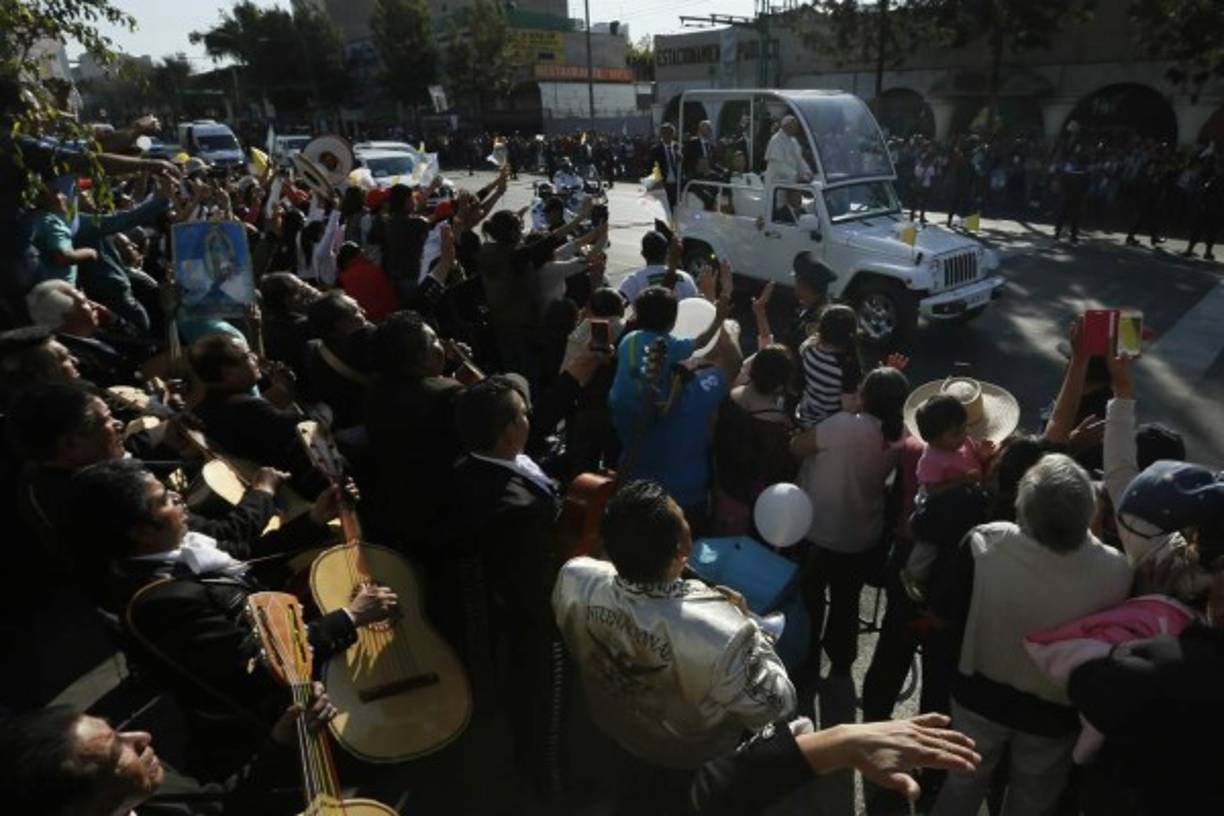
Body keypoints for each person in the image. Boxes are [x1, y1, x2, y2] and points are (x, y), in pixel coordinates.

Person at [68, 458, 397, 781]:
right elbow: (256, 664)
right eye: (164, 500)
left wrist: (313, 519)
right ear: (141, 533)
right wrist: (349, 618)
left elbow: (245, 556)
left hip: (283, 641)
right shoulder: (160, 603)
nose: (178, 497)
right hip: (280, 714)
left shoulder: (175, 549)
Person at [553, 480, 797, 813]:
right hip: (689, 762)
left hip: (613, 731)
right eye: (684, 522)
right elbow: (778, 706)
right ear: (681, 551)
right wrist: (753, 631)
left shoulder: (574, 576)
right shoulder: (726, 635)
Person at [929, 453, 1133, 816]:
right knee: (1034, 798)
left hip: (978, 692)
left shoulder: (985, 544)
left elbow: (946, 613)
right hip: (1054, 712)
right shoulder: (1117, 571)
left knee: (962, 780)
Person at [0, 698, 337, 814]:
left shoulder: (147, 783)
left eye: (117, 729)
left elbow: (222, 806)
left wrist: (279, 742)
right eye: (117, 750)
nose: (142, 736)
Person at [791, 366, 910, 687]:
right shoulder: (899, 436)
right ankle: (842, 660)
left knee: (811, 599)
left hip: (818, 529)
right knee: (846, 601)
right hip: (862, 536)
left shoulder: (842, 425)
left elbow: (798, 447)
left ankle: (807, 658)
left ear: (865, 396)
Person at [900, 393, 999, 601]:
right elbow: (933, 490)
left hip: (963, 498)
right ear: (933, 439)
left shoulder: (963, 442)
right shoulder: (932, 459)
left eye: (965, 428)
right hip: (936, 506)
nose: (964, 435)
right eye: (956, 433)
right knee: (929, 544)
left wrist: (982, 456)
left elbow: (972, 461)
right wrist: (961, 481)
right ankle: (914, 574)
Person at [712, 343, 796, 536]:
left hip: (721, 482)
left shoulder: (732, 396)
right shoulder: (778, 424)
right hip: (747, 499)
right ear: (781, 383)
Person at [795, 304, 862, 428]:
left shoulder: (807, 349)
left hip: (804, 415)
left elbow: (809, 343)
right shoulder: (845, 367)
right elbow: (849, 409)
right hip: (827, 425)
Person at [617, 231, 699, 304]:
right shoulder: (687, 279)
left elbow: (616, 306)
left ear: (643, 254)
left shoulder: (634, 280)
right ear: (667, 253)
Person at [782, 252, 836, 355]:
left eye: (796, 279)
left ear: (804, 286)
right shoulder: (806, 306)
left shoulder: (816, 321)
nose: (794, 283)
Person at [336, 240, 398, 323]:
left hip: (363, 320)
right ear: (358, 254)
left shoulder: (343, 278)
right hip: (386, 316)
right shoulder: (374, 269)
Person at [764, 116, 813, 186]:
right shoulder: (776, 140)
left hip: (792, 183)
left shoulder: (794, 141)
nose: (796, 129)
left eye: (796, 126)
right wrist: (796, 175)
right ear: (785, 126)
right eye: (794, 126)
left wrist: (807, 172)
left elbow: (800, 160)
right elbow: (777, 165)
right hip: (777, 184)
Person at [648, 123, 683, 207]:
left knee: (673, 208)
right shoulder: (656, 149)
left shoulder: (677, 147)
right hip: (662, 184)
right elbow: (652, 167)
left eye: (670, 133)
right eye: (665, 133)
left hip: (675, 184)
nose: (667, 135)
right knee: (661, 210)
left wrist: (681, 159)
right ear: (661, 134)